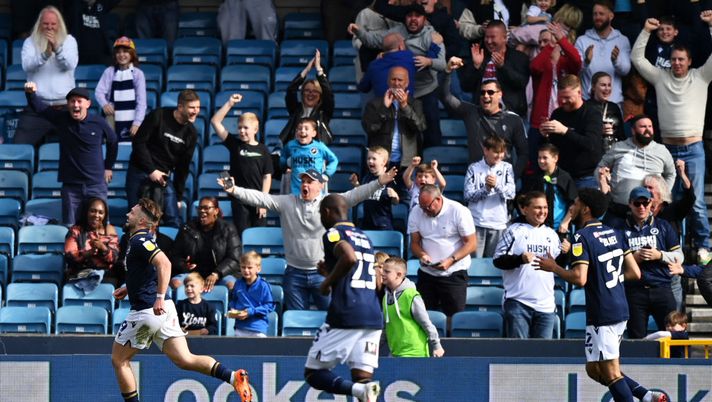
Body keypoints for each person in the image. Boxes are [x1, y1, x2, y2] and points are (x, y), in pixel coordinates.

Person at [111, 198, 253, 402]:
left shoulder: (139, 240)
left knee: (119, 360)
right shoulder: (141, 240)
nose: (127, 215)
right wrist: (129, 287)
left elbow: (165, 264)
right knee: (184, 359)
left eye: (132, 212)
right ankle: (233, 377)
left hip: (147, 311)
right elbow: (147, 271)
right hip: (164, 310)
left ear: (142, 222)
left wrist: (158, 297)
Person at [535, 188, 668, 402]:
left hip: (603, 312)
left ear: (585, 208)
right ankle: (646, 396)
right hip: (619, 307)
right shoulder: (615, 232)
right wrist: (607, 279)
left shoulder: (582, 237)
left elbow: (580, 278)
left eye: (576, 202)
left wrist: (554, 267)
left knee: (611, 372)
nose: (572, 206)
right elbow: (635, 272)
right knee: (594, 369)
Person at [219, 166, 398, 311]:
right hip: (294, 273)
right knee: (297, 322)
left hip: (322, 272)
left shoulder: (329, 202)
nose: (305, 184)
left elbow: (354, 195)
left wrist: (379, 182)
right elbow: (260, 198)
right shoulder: (287, 202)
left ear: (320, 185)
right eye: (303, 181)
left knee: (331, 317)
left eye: (310, 181)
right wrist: (234, 190)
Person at [631, 12, 712, 261]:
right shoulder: (660, 77)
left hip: (693, 148)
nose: (677, 63)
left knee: (696, 202)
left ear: (689, 61)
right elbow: (637, 58)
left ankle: (704, 247)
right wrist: (645, 31)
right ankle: (672, 244)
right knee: (668, 202)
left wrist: (711, 26)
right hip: (667, 150)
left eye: (681, 59)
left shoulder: (701, 77)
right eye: (674, 59)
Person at [303, 193, 382, 402]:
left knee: (314, 373)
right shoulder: (365, 237)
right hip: (373, 314)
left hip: (347, 311)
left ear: (327, 212)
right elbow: (376, 279)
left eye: (321, 213)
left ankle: (358, 391)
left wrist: (326, 283)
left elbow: (349, 257)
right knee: (362, 377)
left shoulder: (333, 233)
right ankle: (363, 390)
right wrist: (330, 274)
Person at [349, 3, 446, 148]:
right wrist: (359, 31)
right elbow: (373, 40)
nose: (413, 19)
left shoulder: (432, 36)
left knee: (431, 130)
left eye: (417, 16)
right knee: (405, 133)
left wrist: (429, 61)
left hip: (425, 89)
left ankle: (432, 165)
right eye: (409, 16)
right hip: (402, 91)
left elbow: (442, 64)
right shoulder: (398, 33)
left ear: (424, 19)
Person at [25, 82, 117, 225]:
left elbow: (113, 141)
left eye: (79, 101)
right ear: (68, 104)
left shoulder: (98, 122)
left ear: (88, 104)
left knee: (100, 227)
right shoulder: (62, 119)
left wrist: (108, 166)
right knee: (71, 227)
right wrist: (30, 93)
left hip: (96, 185)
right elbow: (40, 108)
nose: (75, 105)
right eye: (72, 101)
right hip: (71, 187)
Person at [440, 57, 529, 179]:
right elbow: (446, 97)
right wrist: (447, 71)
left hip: (502, 182)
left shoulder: (513, 119)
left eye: (490, 92)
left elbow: (524, 153)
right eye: (482, 92)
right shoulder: (470, 112)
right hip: (476, 180)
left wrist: (512, 177)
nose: (486, 96)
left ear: (500, 95)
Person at [493, 191, 562, 339]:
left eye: (545, 207)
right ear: (524, 209)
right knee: (519, 355)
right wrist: (519, 259)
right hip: (518, 303)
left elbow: (559, 263)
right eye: (537, 207)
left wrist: (566, 254)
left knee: (543, 357)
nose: (542, 211)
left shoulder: (552, 234)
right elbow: (498, 260)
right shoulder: (513, 231)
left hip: (546, 306)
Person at [126, 89, 200, 228]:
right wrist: (151, 170)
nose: (195, 111)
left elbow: (183, 167)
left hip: (163, 177)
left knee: (174, 220)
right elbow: (138, 143)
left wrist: (178, 197)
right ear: (180, 107)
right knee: (136, 219)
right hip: (139, 170)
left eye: (197, 107)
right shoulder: (159, 115)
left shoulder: (191, 133)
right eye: (191, 107)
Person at [409, 184, 477, 324]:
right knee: (423, 317)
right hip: (427, 273)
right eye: (422, 207)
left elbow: (471, 243)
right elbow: (414, 243)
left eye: (428, 206)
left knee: (454, 318)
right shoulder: (417, 211)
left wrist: (451, 260)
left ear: (438, 199)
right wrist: (422, 255)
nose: (425, 211)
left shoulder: (458, 211)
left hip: (454, 273)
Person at [621, 187, 683, 339]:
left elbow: (679, 257)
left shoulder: (663, 226)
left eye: (645, 202)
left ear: (651, 203)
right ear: (630, 204)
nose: (642, 207)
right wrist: (633, 258)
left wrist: (659, 255)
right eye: (637, 203)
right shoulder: (620, 229)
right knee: (636, 338)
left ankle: (677, 363)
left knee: (672, 334)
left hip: (661, 287)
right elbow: (612, 262)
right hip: (635, 290)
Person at [15, 6, 78, 146]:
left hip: (65, 108)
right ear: (40, 24)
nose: (49, 27)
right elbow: (27, 65)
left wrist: (57, 49)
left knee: (78, 149)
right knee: (19, 147)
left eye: (53, 24)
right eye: (46, 24)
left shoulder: (69, 41)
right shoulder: (30, 42)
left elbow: (70, 64)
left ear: (59, 24)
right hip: (37, 108)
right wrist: (45, 55)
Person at [597, 115, 676, 227]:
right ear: (633, 131)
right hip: (620, 210)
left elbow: (671, 173)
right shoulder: (618, 147)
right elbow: (600, 168)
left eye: (650, 126)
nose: (647, 130)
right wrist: (603, 182)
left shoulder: (661, 150)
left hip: (652, 212)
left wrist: (663, 194)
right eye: (643, 126)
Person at [211, 94, 273, 236]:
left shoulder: (263, 149)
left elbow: (267, 177)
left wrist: (263, 201)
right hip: (239, 199)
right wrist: (230, 103)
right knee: (243, 235)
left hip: (258, 200)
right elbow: (215, 122)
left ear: (255, 130)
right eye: (239, 128)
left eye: (246, 128)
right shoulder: (235, 144)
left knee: (258, 236)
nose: (242, 131)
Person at [528, 23, 583, 162]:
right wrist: (551, 46)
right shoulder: (541, 62)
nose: (542, 45)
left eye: (546, 41)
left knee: (563, 160)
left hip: (564, 120)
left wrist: (561, 40)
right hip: (541, 121)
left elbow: (577, 60)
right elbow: (534, 67)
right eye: (540, 42)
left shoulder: (566, 63)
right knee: (538, 163)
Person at [539, 74, 603, 190]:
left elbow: (591, 144)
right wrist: (546, 136)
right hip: (562, 176)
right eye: (561, 97)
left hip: (587, 177)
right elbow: (553, 147)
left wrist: (564, 130)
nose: (563, 101)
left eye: (568, 97)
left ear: (579, 92)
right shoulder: (557, 114)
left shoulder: (592, 114)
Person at [458, 20, 530, 119]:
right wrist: (476, 66)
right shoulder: (479, 57)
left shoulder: (519, 58)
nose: (489, 41)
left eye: (492, 37)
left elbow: (521, 83)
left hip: (511, 116)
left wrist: (503, 67)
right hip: (482, 117)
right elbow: (466, 86)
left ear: (504, 38)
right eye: (486, 37)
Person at [169, 196, 240, 291]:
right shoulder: (187, 228)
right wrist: (185, 265)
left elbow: (234, 258)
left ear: (216, 211)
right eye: (200, 208)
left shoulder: (228, 229)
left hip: (220, 275)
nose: (202, 211)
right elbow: (175, 255)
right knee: (176, 283)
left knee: (231, 285)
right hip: (194, 274)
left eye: (206, 208)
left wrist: (216, 274)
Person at [362, 66, 426, 171]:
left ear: (407, 83)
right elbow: (370, 129)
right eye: (393, 79)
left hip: (407, 163)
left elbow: (420, 127)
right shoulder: (374, 104)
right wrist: (384, 108)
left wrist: (405, 107)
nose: (396, 83)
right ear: (388, 81)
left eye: (400, 80)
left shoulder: (415, 104)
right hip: (382, 162)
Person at [381, 256, 445, 357]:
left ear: (399, 275)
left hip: (414, 354)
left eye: (387, 271)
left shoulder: (411, 295)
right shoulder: (385, 298)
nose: (382, 273)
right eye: (383, 270)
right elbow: (386, 328)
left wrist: (437, 346)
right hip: (394, 354)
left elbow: (426, 323)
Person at [464, 135, 515, 258]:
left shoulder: (507, 168)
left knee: (494, 264)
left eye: (502, 152)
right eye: (496, 152)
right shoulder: (473, 168)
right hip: (477, 223)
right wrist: (486, 189)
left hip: (499, 223)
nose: (500, 156)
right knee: (475, 264)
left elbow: (511, 194)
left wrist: (496, 185)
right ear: (486, 150)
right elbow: (467, 196)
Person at [574, 0, 631, 104]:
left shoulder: (622, 40)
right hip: (587, 102)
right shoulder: (582, 40)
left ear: (611, 16)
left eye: (601, 14)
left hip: (614, 102)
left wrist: (616, 61)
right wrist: (586, 61)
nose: (597, 17)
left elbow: (626, 71)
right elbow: (575, 70)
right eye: (595, 14)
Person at [94, 36, 147, 142]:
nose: (121, 55)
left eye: (125, 52)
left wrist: (137, 123)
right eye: (118, 52)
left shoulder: (138, 74)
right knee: (112, 145)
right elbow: (99, 92)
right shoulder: (109, 72)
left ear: (131, 54)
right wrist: (104, 104)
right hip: (112, 118)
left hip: (132, 118)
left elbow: (141, 102)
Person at [279, 50, 334, 145]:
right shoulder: (296, 109)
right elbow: (291, 90)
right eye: (307, 90)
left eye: (315, 91)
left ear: (320, 95)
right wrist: (306, 70)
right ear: (302, 93)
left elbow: (328, 93)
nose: (310, 94)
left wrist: (319, 70)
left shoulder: (324, 111)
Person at [64, 197, 121, 286]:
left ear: (105, 215)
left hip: (106, 277)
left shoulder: (109, 230)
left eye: (101, 212)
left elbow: (115, 258)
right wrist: (88, 253)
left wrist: (103, 248)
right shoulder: (76, 231)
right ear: (86, 212)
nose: (96, 215)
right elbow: (69, 257)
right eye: (93, 211)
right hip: (80, 275)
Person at [522, 143, 577, 231]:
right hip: (537, 227)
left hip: (558, 227)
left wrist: (565, 222)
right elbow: (524, 199)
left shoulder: (564, 177)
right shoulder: (534, 177)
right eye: (539, 158)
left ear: (555, 158)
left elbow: (574, 202)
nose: (541, 161)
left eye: (545, 158)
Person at [280, 117, 339, 196]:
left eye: (306, 128)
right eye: (299, 129)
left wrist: (326, 174)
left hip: (315, 192)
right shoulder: (291, 145)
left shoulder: (319, 146)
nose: (302, 131)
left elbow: (334, 160)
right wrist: (284, 167)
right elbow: (283, 156)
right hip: (296, 192)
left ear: (314, 133)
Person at [349, 146, 400, 231]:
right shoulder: (366, 178)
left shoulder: (389, 179)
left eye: (374, 159)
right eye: (368, 158)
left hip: (383, 225)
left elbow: (395, 202)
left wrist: (395, 197)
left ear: (383, 162)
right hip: (367, 224)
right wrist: (356, 184)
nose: (370, 161)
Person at [227, 251, 275, 337]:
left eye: (249, 267)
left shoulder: (263, 286)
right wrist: (233, 310)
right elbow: (234, 300)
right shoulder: (238, 283)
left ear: (258, 269)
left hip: (257, 328)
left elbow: (269, 306)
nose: (246, 270)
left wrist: (250, 312)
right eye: (243, 267)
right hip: (240, 328)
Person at [357, 32, 417, 98]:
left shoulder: (374, 65)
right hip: (406, 104)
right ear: (401, 47)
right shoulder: (409, 57)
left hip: (382, 106)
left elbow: (363, 88)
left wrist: (376, 61)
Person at [585, 71, 625, 152]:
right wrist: (598, 130)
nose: (607, 89)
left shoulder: (614, 107)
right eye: (603, 85)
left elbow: (622, 134)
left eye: (609, 85)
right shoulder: (585, 107)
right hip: (593, 152)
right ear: (593, 87)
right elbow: (581, 134)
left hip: (613, 151)